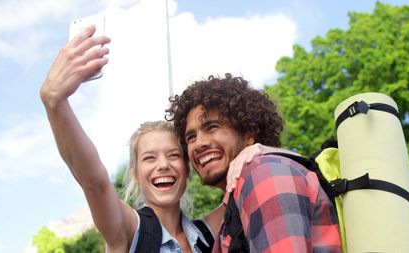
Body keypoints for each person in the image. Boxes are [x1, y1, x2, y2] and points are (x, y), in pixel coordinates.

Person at [39, 25, 225, 253]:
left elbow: (257, 173)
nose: (163, 165)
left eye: (174, 155)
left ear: (186, 168)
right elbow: (95, 183)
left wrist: (251, 152)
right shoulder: (129, 229)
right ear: (135, 173)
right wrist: (55, 103)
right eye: (149, 158)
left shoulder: (209, 234)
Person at [166, 73, 342, 252]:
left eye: (212, 127)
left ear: (249, 132)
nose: (199, 143)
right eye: (191, 137)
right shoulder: (237, 199)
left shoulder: (262, 173)